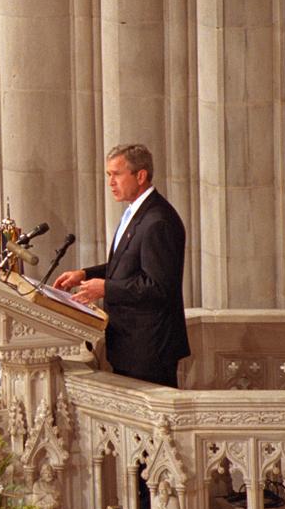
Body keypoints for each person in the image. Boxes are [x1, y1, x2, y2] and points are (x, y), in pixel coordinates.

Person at [52, 143, 190, 388]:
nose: (110, 182)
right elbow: (124, 265)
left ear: (140, 176)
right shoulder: (135, 213)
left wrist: (106, 288)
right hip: (130, 346)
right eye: (108, 175)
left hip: (150, 351)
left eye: (116, 174)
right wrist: (84, 274)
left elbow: (158, 287)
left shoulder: (158, 221)